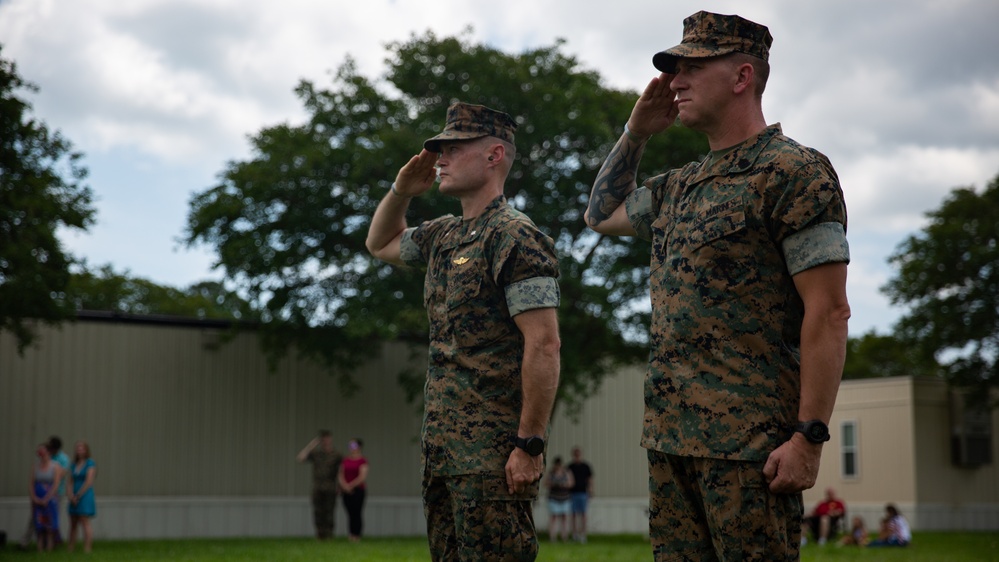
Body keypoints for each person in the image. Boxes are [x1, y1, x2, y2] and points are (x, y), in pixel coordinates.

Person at [584, 11, 851, 560]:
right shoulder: (679, 186)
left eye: (692, 68)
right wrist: (636, 132)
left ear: (742, 76)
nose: (674, 82)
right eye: (672, 69)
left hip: (751, 448)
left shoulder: (793, 173)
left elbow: (828, 313)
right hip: (670, 441)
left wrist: (810, 437)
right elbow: (601, 212)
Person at [366, 101, 561, 561]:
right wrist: (400, 191)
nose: (440, 159)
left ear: (494, 156)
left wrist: (529, 446)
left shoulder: (515, 236)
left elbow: (545, 343)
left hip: (493, 457)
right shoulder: (444, 235)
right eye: (440, 149)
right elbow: (380, 243)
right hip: (443, 451)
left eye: (454, 147)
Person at [296, 429, 342, 540]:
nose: (326, 441)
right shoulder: (316, 454)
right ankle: (320, 535)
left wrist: (340, 486)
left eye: (327, 439)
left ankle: (329, 535)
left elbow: (341, 471)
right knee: (318, 512)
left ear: (331, 440)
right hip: (318, 487)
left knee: (329, 511)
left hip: (331, 487)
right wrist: (312, 445)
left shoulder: (336, 455)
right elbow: (300, 458)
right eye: (323, 439)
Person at [30, 443, 65, 552]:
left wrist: (47, 498)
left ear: (48, 452)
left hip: (50, 499)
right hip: (38, 497)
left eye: (43, 450)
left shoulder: (55, 466)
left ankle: (50, 548)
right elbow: (31, 483)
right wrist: (34, 497)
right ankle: (40, 548)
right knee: (39, 523)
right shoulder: (35, 466)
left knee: (50, 524)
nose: (41, 453)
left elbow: (56, 483)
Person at [67, 440, 97, 553]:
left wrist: (78, 495)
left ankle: (87, 547)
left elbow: (89, 481)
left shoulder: (90, 463)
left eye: (82, 448)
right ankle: (71, 547)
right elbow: (70, 481)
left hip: (84, 494)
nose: (79, 450)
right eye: (77, 448)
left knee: (84, 520)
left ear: (86, 450)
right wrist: (70, 495)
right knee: (73, 521)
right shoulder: (73, 464)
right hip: (73, 495)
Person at [337, 438, 369, 542]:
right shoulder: (345, 460)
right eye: (350, 446)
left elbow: (362, 476)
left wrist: (351, 485)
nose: (352, 448)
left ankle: (357, 535)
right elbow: (340, 474)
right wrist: (344, 486)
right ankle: (351, 534)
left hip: (358, 490)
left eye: (354, 445)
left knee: (357, 513)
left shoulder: (362, 460)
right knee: (350, 513)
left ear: (359, 447)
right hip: (345, 491)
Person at [544, 456, 574, 542]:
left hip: (564, 498)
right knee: (553, 517)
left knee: (564, 518)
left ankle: (564, 536)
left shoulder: (566, 472)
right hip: (554, 498)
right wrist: (554, 483)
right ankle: (552, 537)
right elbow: (546, 483)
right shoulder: (551, 473)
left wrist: (563, 484)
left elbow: (571, 483)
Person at [567, 446, 593, 543]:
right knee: (573, 514)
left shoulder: (586, 466)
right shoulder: (570, 467)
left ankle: (583, 534)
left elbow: (590, 479)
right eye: (575, 454)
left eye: (578, 454)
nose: (577, 456)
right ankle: (574, 534)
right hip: (573, 493)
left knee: (583, 515)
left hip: (583, 493)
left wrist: (590, 490)